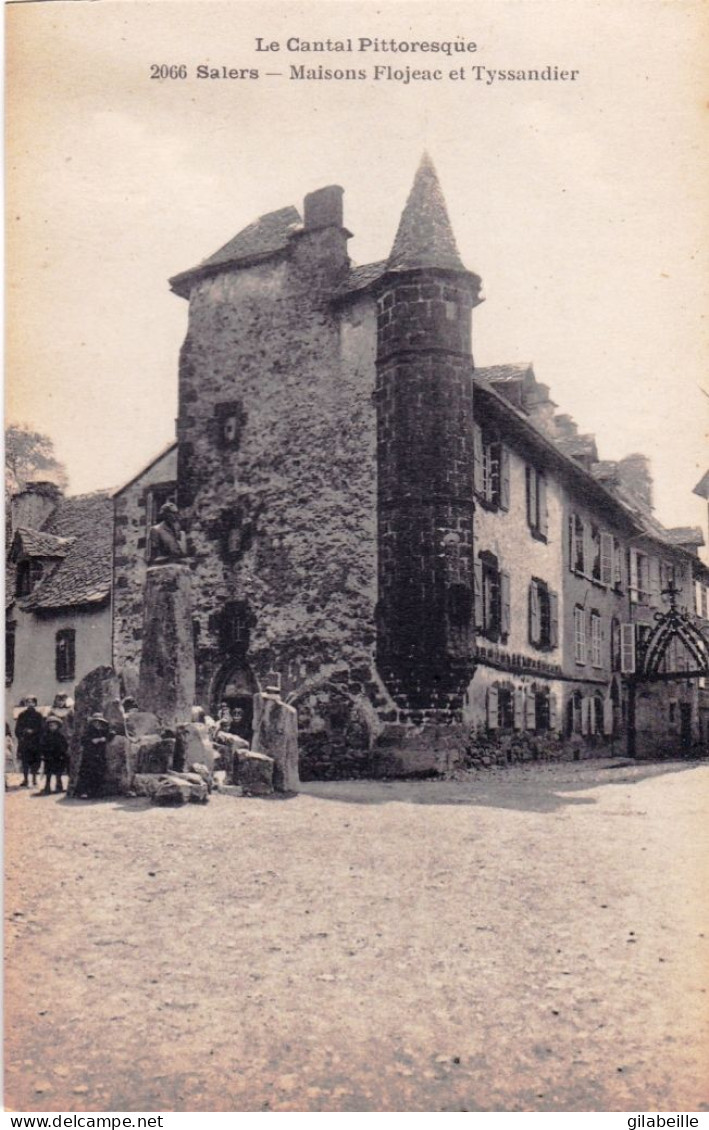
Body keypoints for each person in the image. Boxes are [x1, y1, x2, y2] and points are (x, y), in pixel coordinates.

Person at [74, 714, 112, 799]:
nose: (97, 725)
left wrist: (104, 738)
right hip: (89, 756)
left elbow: (111, 734)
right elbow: (83, 740)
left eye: (99, 723)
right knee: (87, 774)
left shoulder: (104, 731)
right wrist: (92, 740)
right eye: (95, 722)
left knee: (99, 773)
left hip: (100, 756)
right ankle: (84, 792)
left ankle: (96, 791)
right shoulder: (88, 731)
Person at [15, 696, 44, 788]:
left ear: (35, 704)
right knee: (25, 761)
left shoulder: (39, 715)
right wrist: (23, 732)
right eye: (28, 702)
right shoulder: (22, 715)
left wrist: (34, 731)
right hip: (25, 742)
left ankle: (34, 779)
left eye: (32, 702)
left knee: (36, 761)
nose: (30, 704)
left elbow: (42, 728)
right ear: (26, 704)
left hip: (35, 742)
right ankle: (26, 779)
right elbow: (17, 729)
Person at [39, 715, 69, 794]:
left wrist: (62, 753)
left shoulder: (60, 736)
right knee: (48, 773)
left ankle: (59, 786)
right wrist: (44, 753)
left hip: (58, 757)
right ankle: (47, 787)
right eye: (50, 725)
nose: (52, 727)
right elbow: (42, 745)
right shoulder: (45, 736)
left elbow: (64, 745)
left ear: (58, 726)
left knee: (58, 773)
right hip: (49, 757)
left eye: (54, 725)